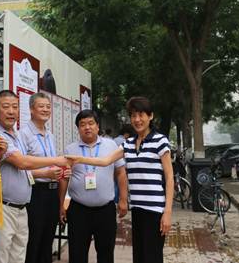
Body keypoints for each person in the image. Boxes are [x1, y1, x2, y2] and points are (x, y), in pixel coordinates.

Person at [66, 97, 174, 263]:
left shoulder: (160, 141)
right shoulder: (128, 144)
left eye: (141, 115)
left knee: (152, 257)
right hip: (137, 209)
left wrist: (167, 212)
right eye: (133, 116)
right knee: (139, 257)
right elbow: (105, 161)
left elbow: (169, 177)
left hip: (155, 211)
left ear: (150, 116)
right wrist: (80, 159)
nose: (137, 120)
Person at [0, 90, 69, 263]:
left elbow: (23, 169)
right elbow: (22, 162)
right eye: (6, 107)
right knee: (5, 255)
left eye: (14, 107)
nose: (11, 111)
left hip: (22, 206)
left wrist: (59, 170)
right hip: (6, 206)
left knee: (20, 254)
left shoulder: (16, 135)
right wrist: (55, 163)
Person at [59, 110, 128, 263]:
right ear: (78, 128)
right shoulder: (70, 149)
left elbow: (120, 172)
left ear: (98, 126)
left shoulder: (111, 145)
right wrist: (61, 204)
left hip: (105, 210)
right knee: (77, 254)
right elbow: (64, 178)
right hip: (79, 210)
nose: (87, 127)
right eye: (82, 124)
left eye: (91, 123)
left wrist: (123, 199)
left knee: (106, 254)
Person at [19, 92, 70, 263]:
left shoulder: (50, 135)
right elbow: (20, 169)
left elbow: (51, 164)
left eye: (48, 107)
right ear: (31, 109)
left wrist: (61, 171)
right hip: (35, 193)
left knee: (48, 240)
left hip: (52, 193)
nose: (46, 110)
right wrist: (44, 174)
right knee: (34, 241)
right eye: (41, 106)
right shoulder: (23, 134)